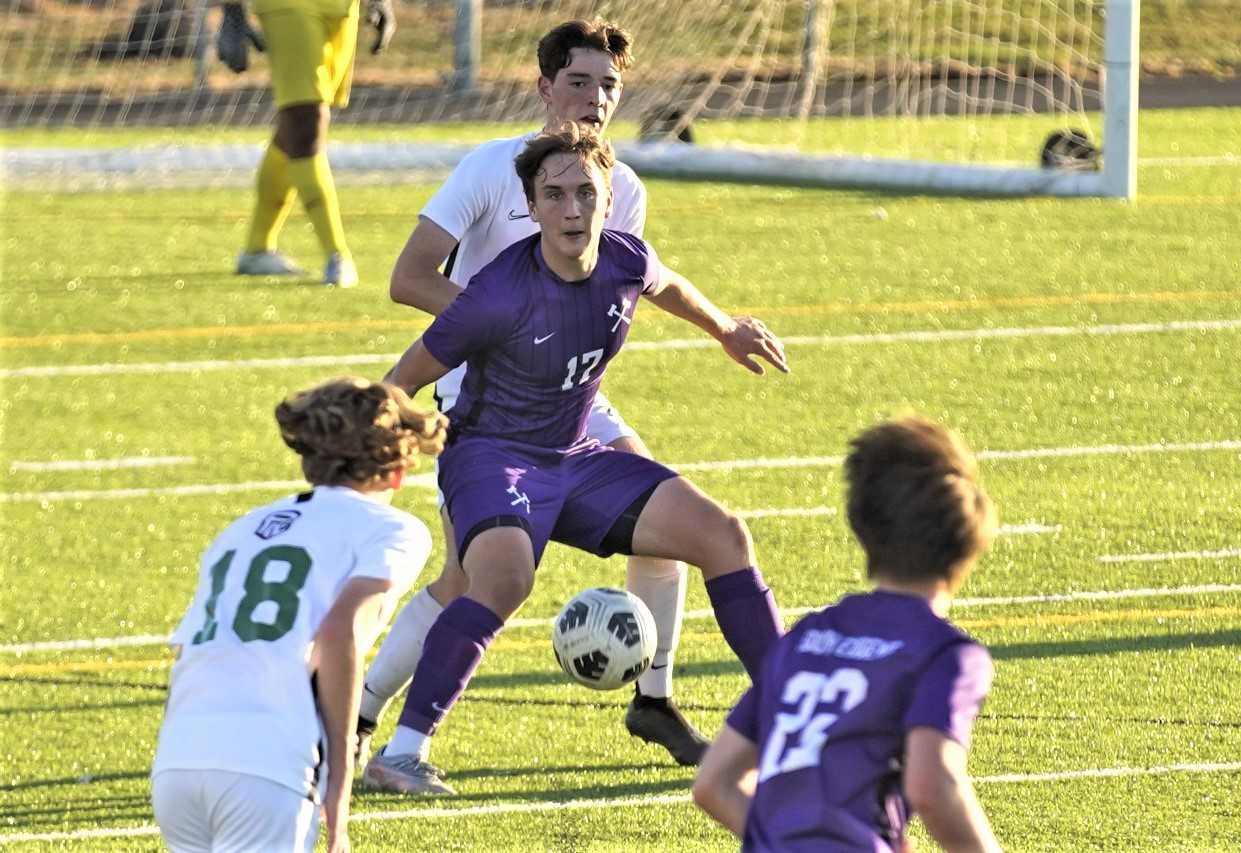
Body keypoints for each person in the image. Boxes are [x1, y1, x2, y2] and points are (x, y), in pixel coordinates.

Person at [360, 126, 789, 795]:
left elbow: (667, 282)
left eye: (585, 191)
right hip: (490, 455)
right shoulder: (497, 294)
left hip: (574, 453)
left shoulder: (624, 259)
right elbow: (403, 375)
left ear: (607, 196)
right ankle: (403, 750)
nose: (570, 208)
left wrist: (726, 328)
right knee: (500, 578)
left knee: (722, 534)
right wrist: (383, 458)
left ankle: (797, 719)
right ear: (531, 206)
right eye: (553, 194)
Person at [359, 17, 710, 768]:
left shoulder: (624, 189)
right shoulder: (491, 168)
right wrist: (503, 324)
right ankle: (367, 716)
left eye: (609, 86)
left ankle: (653, 697)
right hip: (479, 393)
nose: (595, 98)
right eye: (578, 82)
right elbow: (409, 276)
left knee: (666, 522)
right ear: (544, 86)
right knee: (466, 581)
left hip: (574, 400)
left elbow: (613, 292)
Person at [151, 378, 446, 852]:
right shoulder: (392, 530)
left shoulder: (243, 529)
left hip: (179, 759)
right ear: (397, 469)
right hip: (265, 759)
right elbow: (341, 631)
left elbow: (189, 648)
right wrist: (339, 779)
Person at [692, 417, 1003, 853]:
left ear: (863, 524)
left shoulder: (806, 638)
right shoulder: (945, 654)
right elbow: (932, 785)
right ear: (968, 541)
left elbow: (713, 784)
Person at [217, 0, 397, 287]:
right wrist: (232, 10)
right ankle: (337, 254)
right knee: (307, 118)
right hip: (289, 5)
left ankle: (257, 248)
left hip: (342, 8)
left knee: (296, 126)